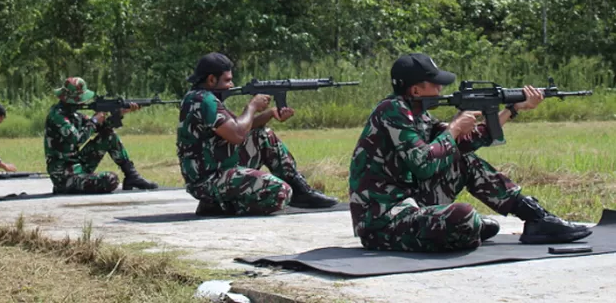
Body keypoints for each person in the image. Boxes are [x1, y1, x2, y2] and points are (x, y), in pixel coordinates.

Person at [349, 52, 593, 252]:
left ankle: (536, 217)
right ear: (415, 90)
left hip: (411, 203)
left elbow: (463, 144)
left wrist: (513, 109)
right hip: (382, 221)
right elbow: (423, 163)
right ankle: (464, 227)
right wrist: (454, 127)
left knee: (465, 161)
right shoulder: (391, 110)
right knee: (463, 215)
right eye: (435, 84)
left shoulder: (418, 113)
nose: (440, 88)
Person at [177, 52, 338, 216]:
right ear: (211, 80)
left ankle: (300, 190)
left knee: (263, 135)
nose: (231, 85)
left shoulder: (200, 98)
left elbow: (239, 128)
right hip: (209, 180)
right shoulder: (203, 100)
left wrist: (269, 114)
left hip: (217, 169)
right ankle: (219, 205)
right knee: (281, 193)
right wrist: (252, 107)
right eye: (227, 80)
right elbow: (237, 135)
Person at [44, 77, 158, 194]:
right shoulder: (57, 116)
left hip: (78, 165)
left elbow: (101, 128)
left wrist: (119, 113)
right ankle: (65, 187)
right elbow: (78, 139)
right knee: (110, 179)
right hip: (64, 175)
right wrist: (94, 121)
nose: (83, 102)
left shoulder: (74, 115)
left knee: (109, 135)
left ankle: (132, 176)